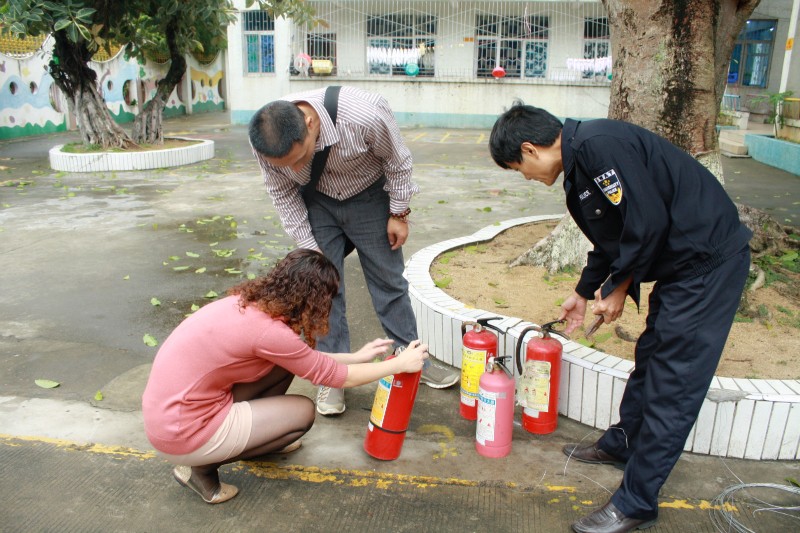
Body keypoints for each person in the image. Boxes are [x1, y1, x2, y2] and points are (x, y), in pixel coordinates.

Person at [489, 103, 752, 533]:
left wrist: (619, 286)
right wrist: (581, 292)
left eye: (517, 167)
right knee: (651, 358)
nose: (525, 177)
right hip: (681, 266)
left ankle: (637, 501)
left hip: (707, 264)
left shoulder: (598, 145)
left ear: (530, 149)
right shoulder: (581, 165)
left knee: (674, 384)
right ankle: (623, 444)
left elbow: (646, 223)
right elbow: (612, 237)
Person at [141, 249, 429, 504]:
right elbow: (338, 378)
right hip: (184, 433)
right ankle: (199, 470)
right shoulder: (269, 333)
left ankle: (253, 440)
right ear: (313, 299)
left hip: (171, 416)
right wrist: (398, 364)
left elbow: (302, 360)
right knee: (302, 414)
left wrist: (356, 356)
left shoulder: (249, 304)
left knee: (280, 366)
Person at [248, 85, 458, 416]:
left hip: (369, 197)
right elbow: (283, 194)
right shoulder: (266, 138)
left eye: (300, 158)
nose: (294, 166)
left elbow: (397, 160)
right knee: (323, 290)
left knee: (389, 282)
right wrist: (310, 249)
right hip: (316, 203)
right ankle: (330, 377)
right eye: (286, 165)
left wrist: (398, 213)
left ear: (310, 123)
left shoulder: (364, 113)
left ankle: (412, 357)